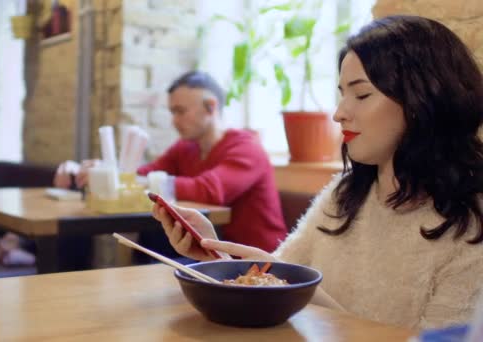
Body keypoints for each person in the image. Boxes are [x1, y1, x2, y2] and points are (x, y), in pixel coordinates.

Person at [151, 15, 483, 330]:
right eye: (342, 94)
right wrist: (215, 254)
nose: (339, 113)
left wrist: (311, 296)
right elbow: (276, 280)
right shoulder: (346, 193)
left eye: (362, 94)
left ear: (424, 98)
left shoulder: (470, 224)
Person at [55, 71, 288, 253]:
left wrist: (137, 180)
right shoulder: (185, 148)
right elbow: (143, 173)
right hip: (215, 253)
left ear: (211, 107)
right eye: (172, 112)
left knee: (153, 245)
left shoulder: (247, 148)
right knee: (152, 243)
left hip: (262, 258)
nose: (174, 121)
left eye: (180, 111)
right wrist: (100, 170)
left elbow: (210, 190)